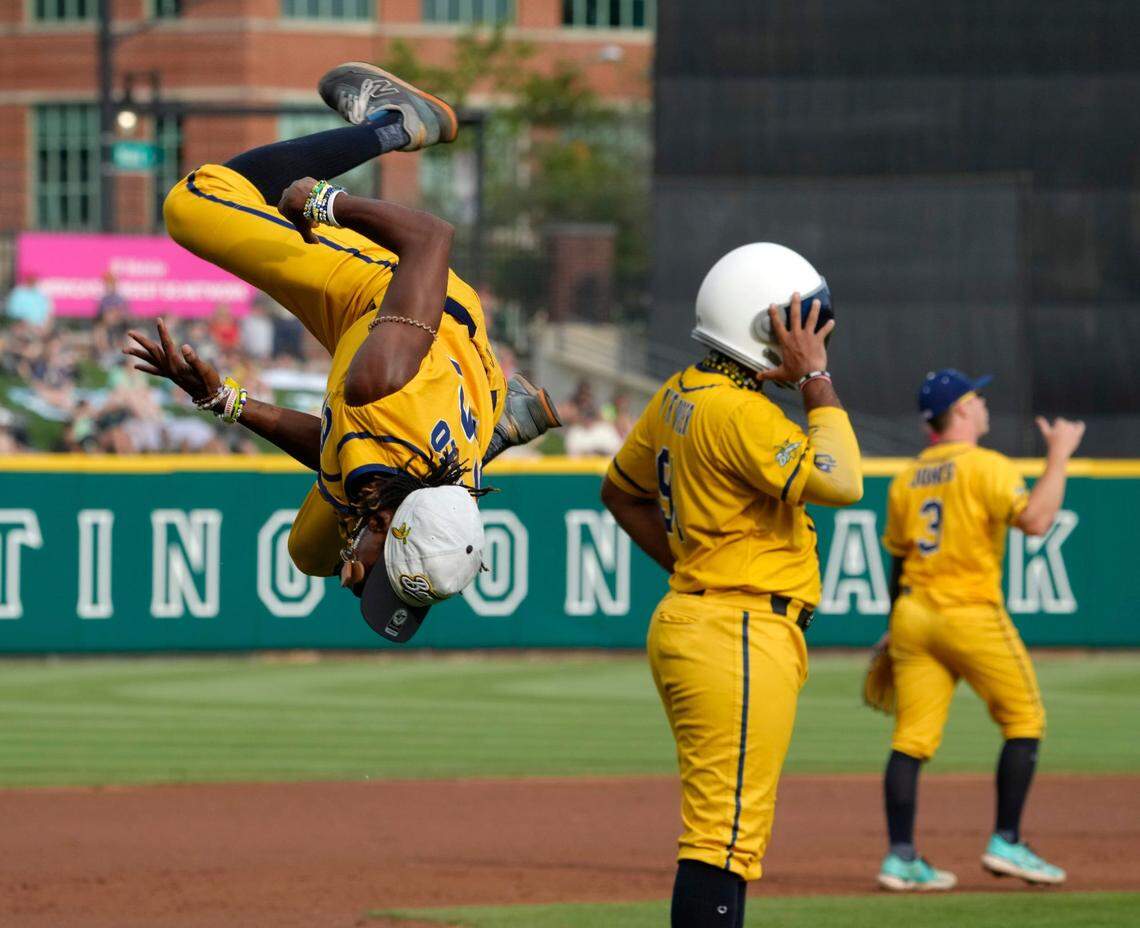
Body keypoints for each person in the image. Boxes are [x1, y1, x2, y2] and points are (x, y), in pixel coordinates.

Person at [125, 62, 560, 641]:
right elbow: (432, 239)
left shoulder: (390, 487)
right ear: (386, 523)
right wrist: (326, 203)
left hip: (464, 392)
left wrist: (226, 401)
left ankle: (496, 428)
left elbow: (339, 448)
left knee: (308, 550)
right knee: (194, 204)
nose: (354, 579)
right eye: (374, 575)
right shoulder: (381, 381)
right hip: (394, 307)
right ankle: (395, 123)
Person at [601, 243, 863, 928]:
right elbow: (841, 480)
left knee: (730, 837)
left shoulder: (681, 393)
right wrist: (815, 381)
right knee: (722, 839)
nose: (807, 338)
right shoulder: (739, 414)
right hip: (737, 632)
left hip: (703, 618)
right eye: (796, 326)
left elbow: (620, 492)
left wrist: (695, 566)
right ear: (760, 328)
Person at [869, 369, 1085, 891]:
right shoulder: (987, 466)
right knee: (1025, 718)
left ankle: (900, 857)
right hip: (969, 614)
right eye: (978, 398)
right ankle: (1006, 840)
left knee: (911, 739)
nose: (985, 405)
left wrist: (893, 626)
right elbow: (1035, 521)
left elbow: (898, 561)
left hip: (915, 616)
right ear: (960, 411)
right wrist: (1058, 455)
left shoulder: (905, 478)